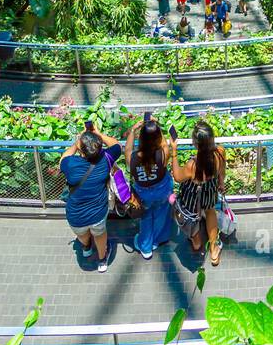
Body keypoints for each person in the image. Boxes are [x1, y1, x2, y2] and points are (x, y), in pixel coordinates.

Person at [60, 123, 122, 273]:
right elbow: (117, 145)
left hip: (76, 215)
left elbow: (63, 158)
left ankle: (86, 248)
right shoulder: (106, 159)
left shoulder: (71, 164)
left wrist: (77, 143)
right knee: (100, 236)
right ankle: (102, 260)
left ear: (81, 151)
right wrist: (98, 135)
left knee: (81, 234)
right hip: (98, 213)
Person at [172, 120, 226, 265]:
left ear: (196, 144)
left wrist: (174, 152)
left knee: (192, 217)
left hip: (192, 196)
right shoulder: (219, 153)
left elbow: (177, 177)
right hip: (210, 190)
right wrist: (221, 183)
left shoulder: (192, 165)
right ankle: (214, 250)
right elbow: (221, 172)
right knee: (210, 212)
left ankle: (196, 243)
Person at [123, 117, 175, 260]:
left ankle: (146, 247)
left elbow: (127, 149)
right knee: (161, 213)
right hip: (162, 191)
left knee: (145, 217)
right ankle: (158, 239)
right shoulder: (162, 154)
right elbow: (164, 144)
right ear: (157, 139)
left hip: (143, 195)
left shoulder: (132, 158)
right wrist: (156, 126)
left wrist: (133, 130)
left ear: (141, 139)